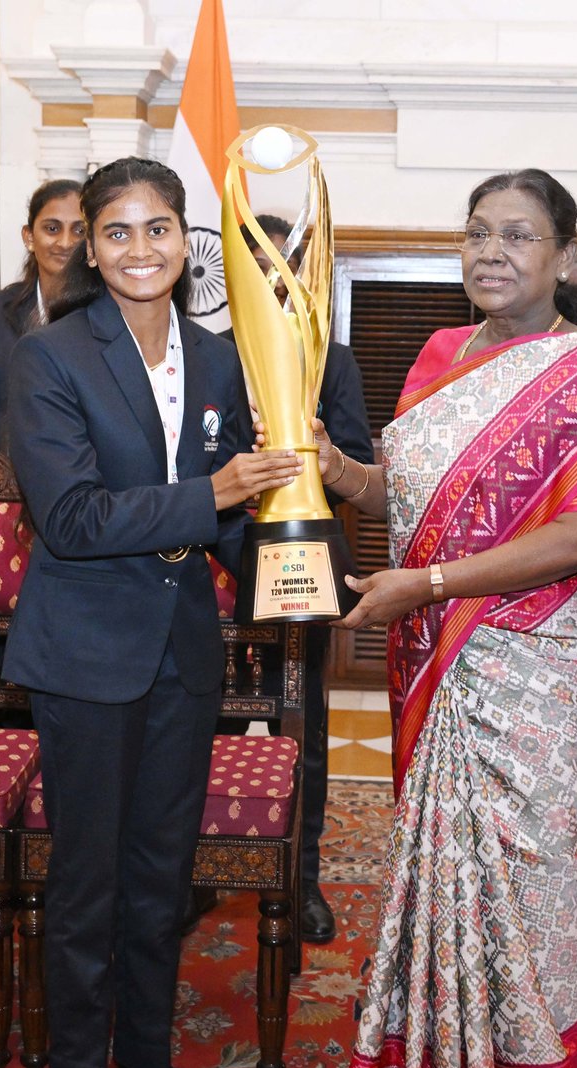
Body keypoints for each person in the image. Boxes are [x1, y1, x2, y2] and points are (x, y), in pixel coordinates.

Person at [311, 169, 577, 1068]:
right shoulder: (440, 357)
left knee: (537, 883)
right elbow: (402, 482)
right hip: (442, 652)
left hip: (549, 669)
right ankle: (442, 1059)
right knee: (448, 871)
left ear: (563, 256)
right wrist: (327, 469)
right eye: (476, 232)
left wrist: (424, 584)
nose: (491, 251)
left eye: (518, 235)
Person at [2, 157, 302, 1068]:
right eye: (117, 231)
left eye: (159, 228)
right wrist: (220, 493)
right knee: (89, 876)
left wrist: (293, 552)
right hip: (85, 654)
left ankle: (145, 1054)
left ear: (188, 242)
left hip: (182, 650)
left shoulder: (220, 359)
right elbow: (75, 519)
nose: (140, 249)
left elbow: (227, 522)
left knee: (161, 874)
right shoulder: (48, 358)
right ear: (88, 246)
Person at [226, 214, 374, 943]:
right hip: (216, 572)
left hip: (301, 572)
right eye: (259, 268)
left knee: (304, 733)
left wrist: (311, 454)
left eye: (286, 268)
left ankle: (301, 877)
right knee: (210, 728)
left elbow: (355, 473)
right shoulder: (203, 354)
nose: (274, 282)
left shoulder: (334, 360)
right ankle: (206, 869)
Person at [0, 179, 85, 451]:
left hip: (94, 478)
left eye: (79, 230)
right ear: (29, 236)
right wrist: (22, 436)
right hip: (13, 474)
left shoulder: (110, 313)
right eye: (52, 228)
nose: (66, 242)